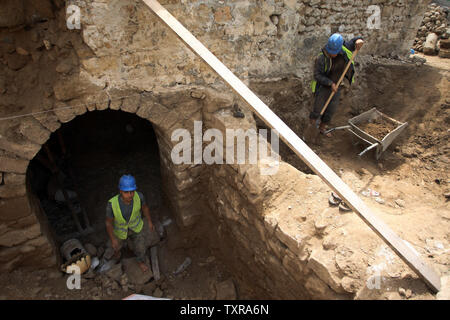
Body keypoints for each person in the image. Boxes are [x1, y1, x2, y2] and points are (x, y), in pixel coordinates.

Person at [309, 33, 364, 137]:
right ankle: (312, 129)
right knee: (318, 109)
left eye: (334, 52)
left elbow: (356, 41)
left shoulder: (345, 49)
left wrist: (359, 41)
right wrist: (330, 83)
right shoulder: (321, 58)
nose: (331, 54)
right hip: (323, 85)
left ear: (339, 49)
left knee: (331, 109)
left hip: (337, 85)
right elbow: (317, 75)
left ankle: (322, 127)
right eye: (330, 51)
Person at [106, 175, 155, 273]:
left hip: (136, 227)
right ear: (120, 191)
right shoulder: (112, 204)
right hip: (120, 231)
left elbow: (145, 208)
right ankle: (118, 253)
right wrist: (113, 239)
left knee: (141, 247)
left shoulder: (139, 197)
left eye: (132, 191)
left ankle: (140, 261)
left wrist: (149, 221)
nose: (130, 195)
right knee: (115, 246)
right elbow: (108, 223)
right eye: (126, 192)